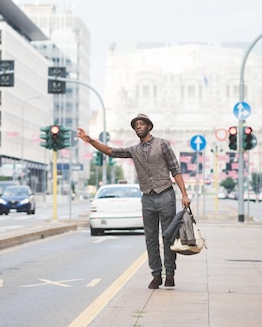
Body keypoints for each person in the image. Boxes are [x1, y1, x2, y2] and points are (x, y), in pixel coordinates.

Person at [77, 113, 191, 289]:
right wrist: (90, 140)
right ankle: (156, 275)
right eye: (135, 125)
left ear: (149, 126)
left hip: (166, 195)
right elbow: (110, 151)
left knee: (168, 236)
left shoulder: (162, 144)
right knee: (150, 239)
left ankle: (170, 273)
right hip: (147, 198)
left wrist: (184, 194)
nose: (138, 126)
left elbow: (175, 169)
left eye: (141, 124)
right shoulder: (133, 150)